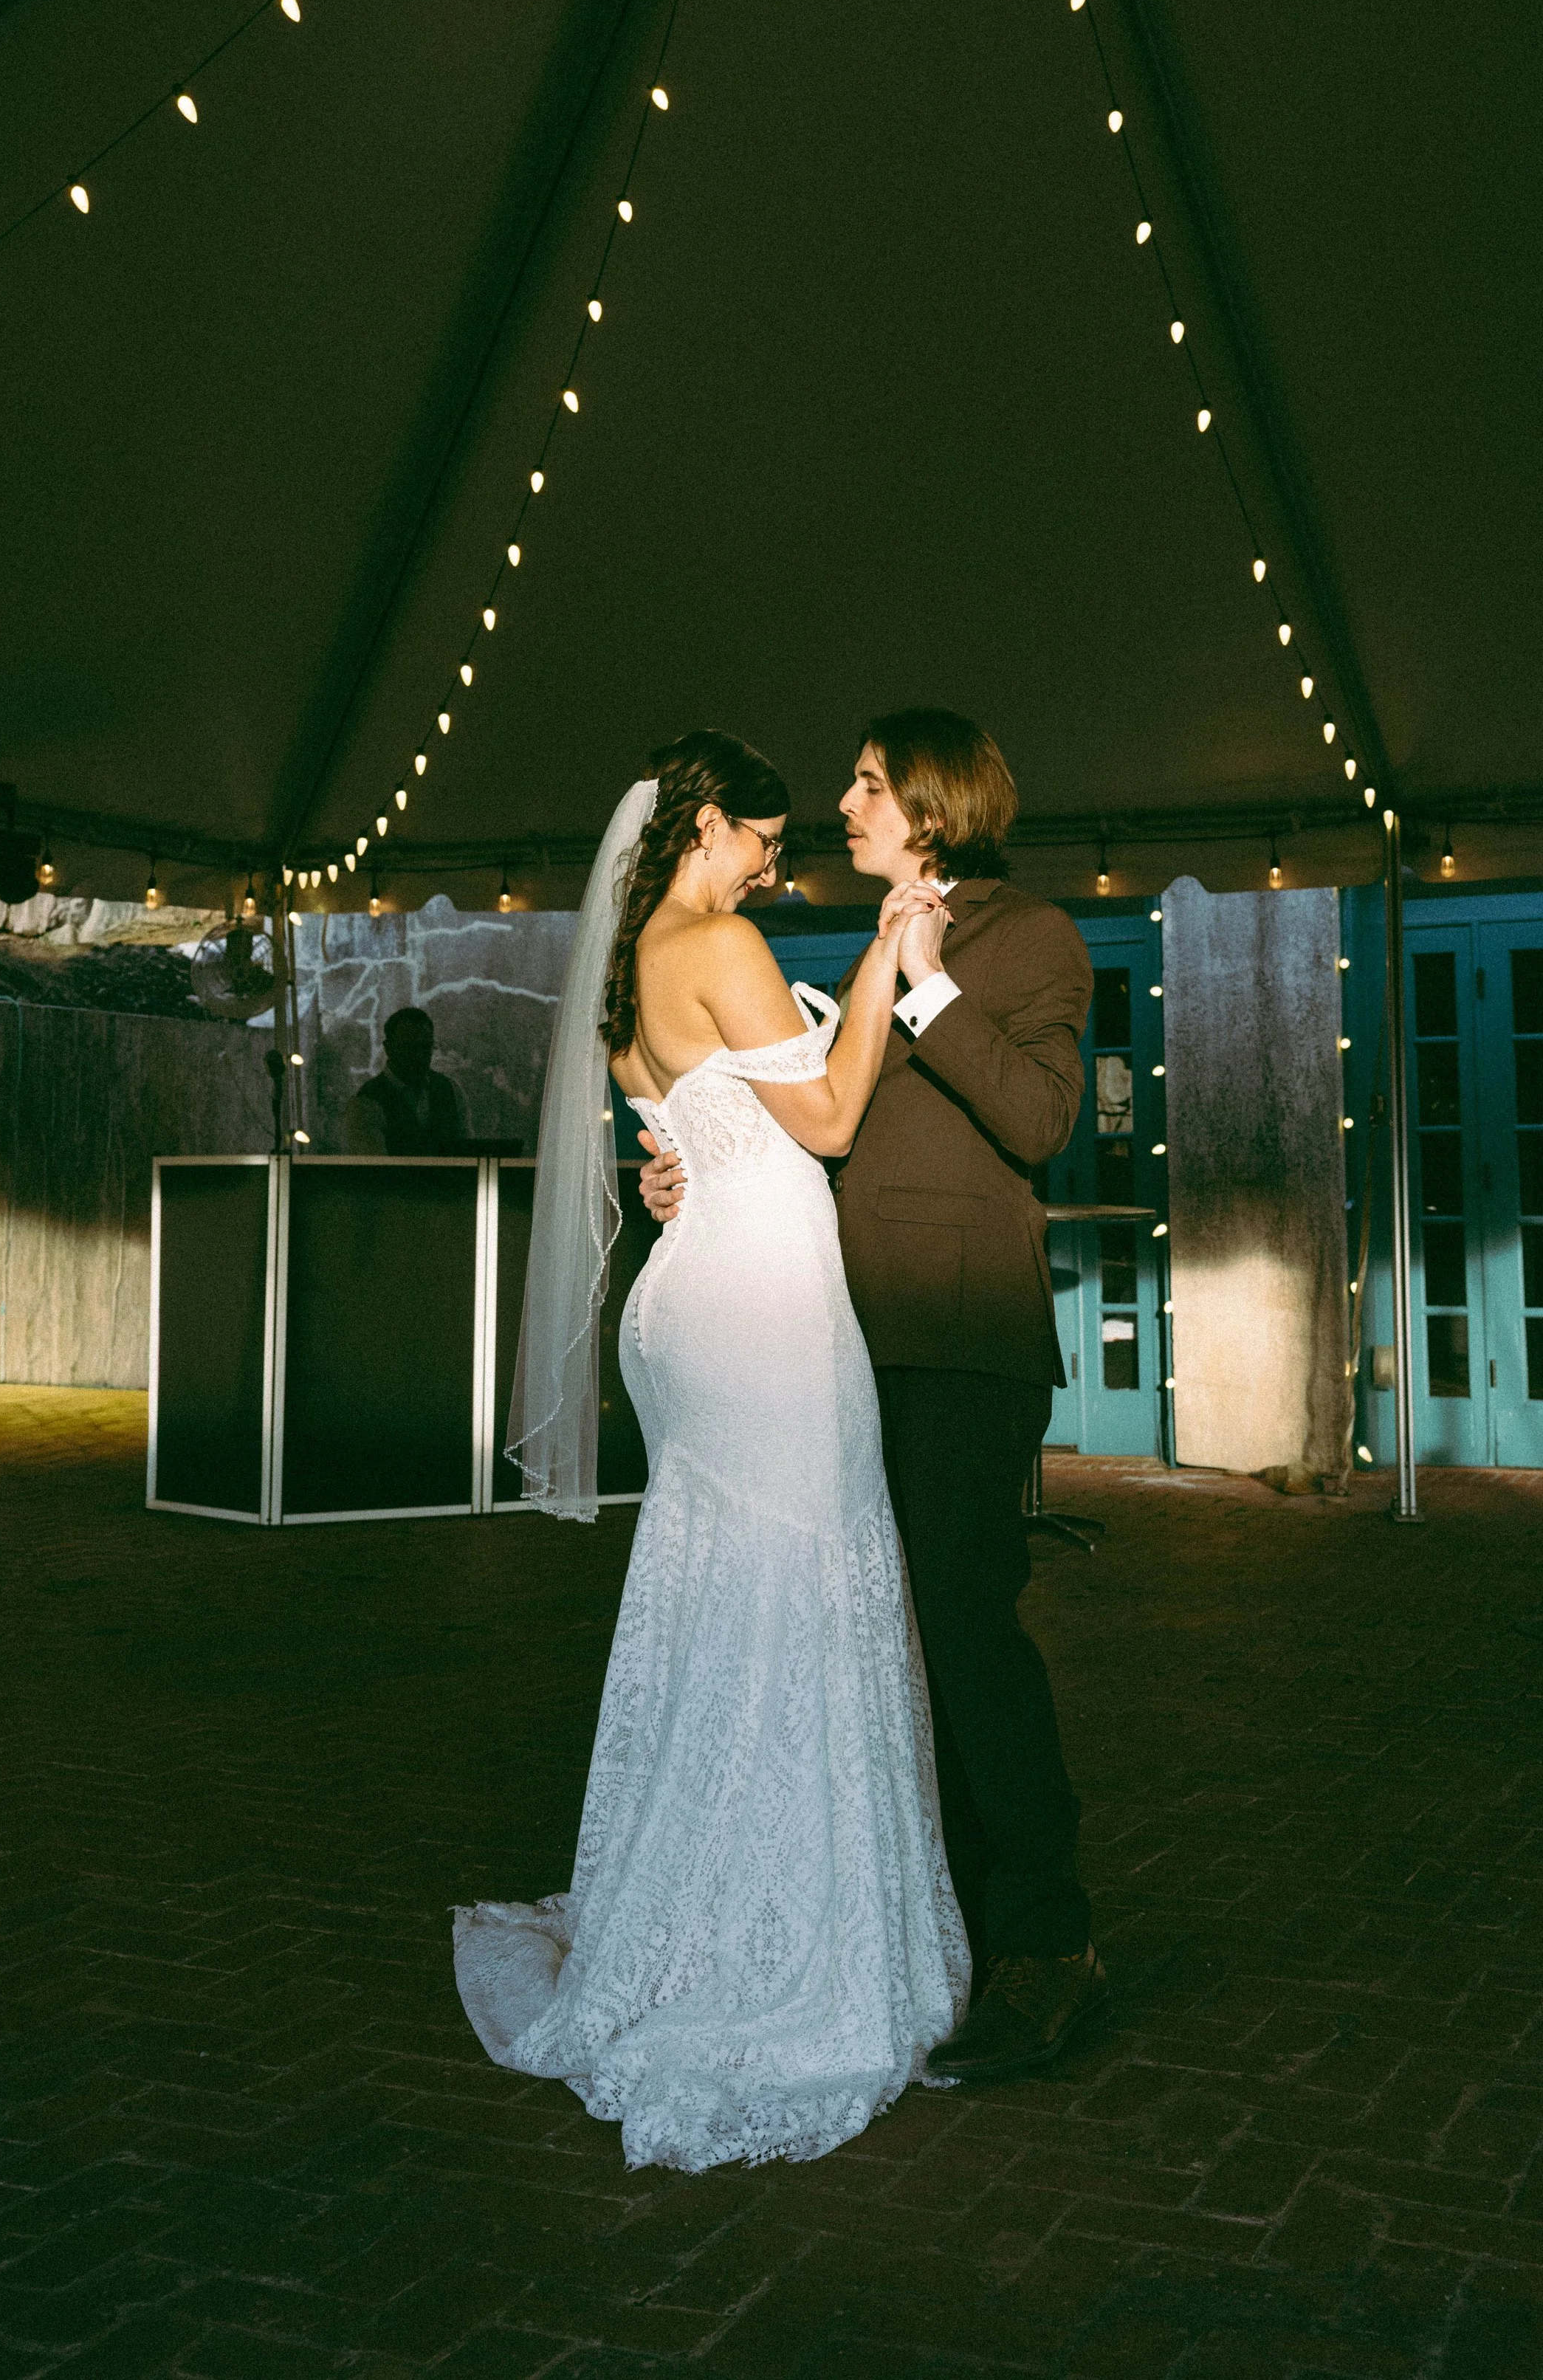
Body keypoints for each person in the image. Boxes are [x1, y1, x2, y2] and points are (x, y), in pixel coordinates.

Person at [452, 732, 967, 2172]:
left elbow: (689, 1125)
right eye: (760, 834)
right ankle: (765, 1950)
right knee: (791, 1604)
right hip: (761, 1312)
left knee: (722, 1614)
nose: (772, 857)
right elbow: (834, 1116)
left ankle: (683, 1909)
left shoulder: (627, 960)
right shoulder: (721, 940)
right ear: (701, 828)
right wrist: (879, 961)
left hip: (689, 1308)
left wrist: (678, 1156)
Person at [639, 709, 1104, 2082]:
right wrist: (684, 1179)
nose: (846, 804)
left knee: (965, 1629)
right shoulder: (851, 939)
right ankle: (933, 1942)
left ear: (934, 804)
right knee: (889, 1654)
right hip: (836, 1343)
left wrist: (925, 985)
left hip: (961, 1345)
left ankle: (1049, 1947)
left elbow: (1039, 1122)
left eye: (866, 783)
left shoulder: (1030, 937)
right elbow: (802, 1131)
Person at [348, 1005, 467, 1155]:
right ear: (389, 1048)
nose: (418, 1056)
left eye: (424, 1047)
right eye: (409, 1047)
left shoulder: (369, 1099)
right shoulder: (367, 1102)